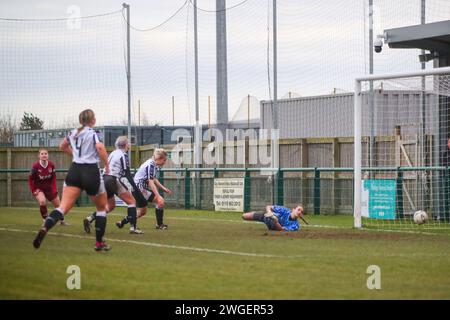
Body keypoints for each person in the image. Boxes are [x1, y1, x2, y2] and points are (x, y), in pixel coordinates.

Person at [33, 109, 111, 251]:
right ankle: (99, 243)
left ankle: (46, 226)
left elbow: (62, 146)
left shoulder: (73, 133)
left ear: (81, 120)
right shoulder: (94, 133)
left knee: (62, 208)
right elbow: (99, 147)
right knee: (101, 208)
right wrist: (107, 165)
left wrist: (75, 155)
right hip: (91, 171)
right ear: (93, 120)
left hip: (75, 171)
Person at [83, 136, 145, 234]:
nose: (129, 144)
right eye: (128, 143)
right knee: (132, 201)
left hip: (104, 178)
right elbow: (127, 174)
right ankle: (133, 228)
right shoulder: (123, 155)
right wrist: (135, 188)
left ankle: (90, 218)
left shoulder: (113, 153)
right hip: (112, 179)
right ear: (125, 145)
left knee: (110, 206)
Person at [133, 148, 172, 229]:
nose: (164, 162)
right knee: (160, 201)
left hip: (139, 188)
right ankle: (159, 224)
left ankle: (124, 221)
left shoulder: (153, 164)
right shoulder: (150, 164)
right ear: (159, 158)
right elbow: (151, 182)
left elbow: (153, 179)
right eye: (164, 160)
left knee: (142, 212)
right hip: (139, 188)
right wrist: (157, 195)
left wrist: (163, 188)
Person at [28, 149, 67, 226]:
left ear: (48, 155)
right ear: (39, 156)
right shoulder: (35, 166)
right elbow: (30, 179)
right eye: (42, 154)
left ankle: (62, 221)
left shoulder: (51, 165)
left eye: (45, 153)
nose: (44, 155)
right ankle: (45, 220)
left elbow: (53, 178)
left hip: (49, 188)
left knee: (59, 205)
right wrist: (33, 190)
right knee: (42, 201)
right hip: (39, 188)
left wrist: (54, 188)